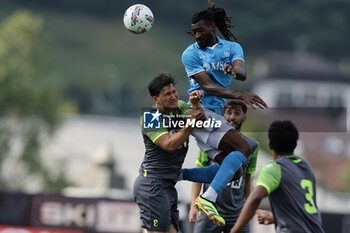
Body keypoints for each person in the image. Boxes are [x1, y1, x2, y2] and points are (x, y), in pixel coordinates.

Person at [181, 4, 268, 225]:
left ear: (212, 27)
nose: (197, 35)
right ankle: (208, 198)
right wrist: (240, 94)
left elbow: (242, 71)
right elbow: (208, 86)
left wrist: (234, 71)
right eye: (194, 32)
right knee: (245, 148)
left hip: (214, 117)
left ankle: (175, 174)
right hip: (201, 113)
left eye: (201, 30)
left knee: (236, 172)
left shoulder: (232, 48)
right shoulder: (190, 53)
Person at [133, 74, 205, 233]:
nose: (173, 96)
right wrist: (190, 124)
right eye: (167, 94)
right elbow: (169, 144)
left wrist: (195, 104)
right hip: (152, 185)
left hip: (168, 184)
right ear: (155, 99)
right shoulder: (149, 117)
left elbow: (199, 121)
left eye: (174, 91)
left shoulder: (180, 106)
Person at [230, 120, 325, 233]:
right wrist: (274, 218)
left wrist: (234, 231)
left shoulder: (274, 168)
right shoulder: (306, 167)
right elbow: (302, 210)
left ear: (270, 145)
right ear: (295, 144)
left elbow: (255, 197)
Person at [189, 100, 259, 233]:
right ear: (223, 115)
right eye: (229, 112)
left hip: (236, 213)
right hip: (210, 210)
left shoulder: (252, 145)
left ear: (244, 117)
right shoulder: (210, 140)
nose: (232, 117)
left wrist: (247, 207)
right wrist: (193, 206)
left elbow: (247, 179)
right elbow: (199, 173)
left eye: (237, 113)